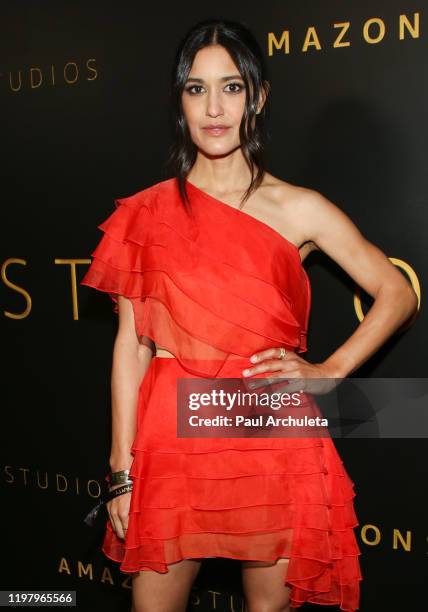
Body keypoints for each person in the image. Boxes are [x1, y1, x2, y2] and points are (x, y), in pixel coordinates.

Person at [80, 18, 418, 612]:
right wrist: (121, 472)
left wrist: (330, 370)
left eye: (231, 87)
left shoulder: (298, 207)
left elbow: (397, 292)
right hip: (170, 438)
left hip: (269, 428)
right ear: (179, 100)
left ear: (257, 96)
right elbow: (131, 347)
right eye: (196, 88)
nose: (214, 108)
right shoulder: (145, 215)